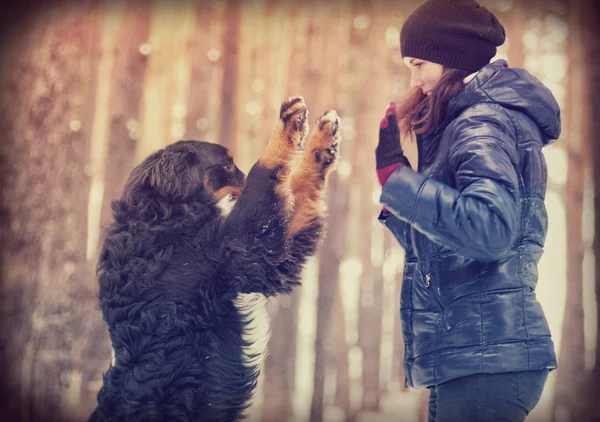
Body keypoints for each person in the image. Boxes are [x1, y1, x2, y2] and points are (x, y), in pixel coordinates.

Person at [374, 0, 560, 421]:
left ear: (451, 56)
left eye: (420, 63)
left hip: (487, 357)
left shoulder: (481, 122)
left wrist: (400, 182)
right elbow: (453, 247)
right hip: (477, 355)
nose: (415, 78)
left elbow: (488, 232)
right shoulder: (471, 119)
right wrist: (402, 191)